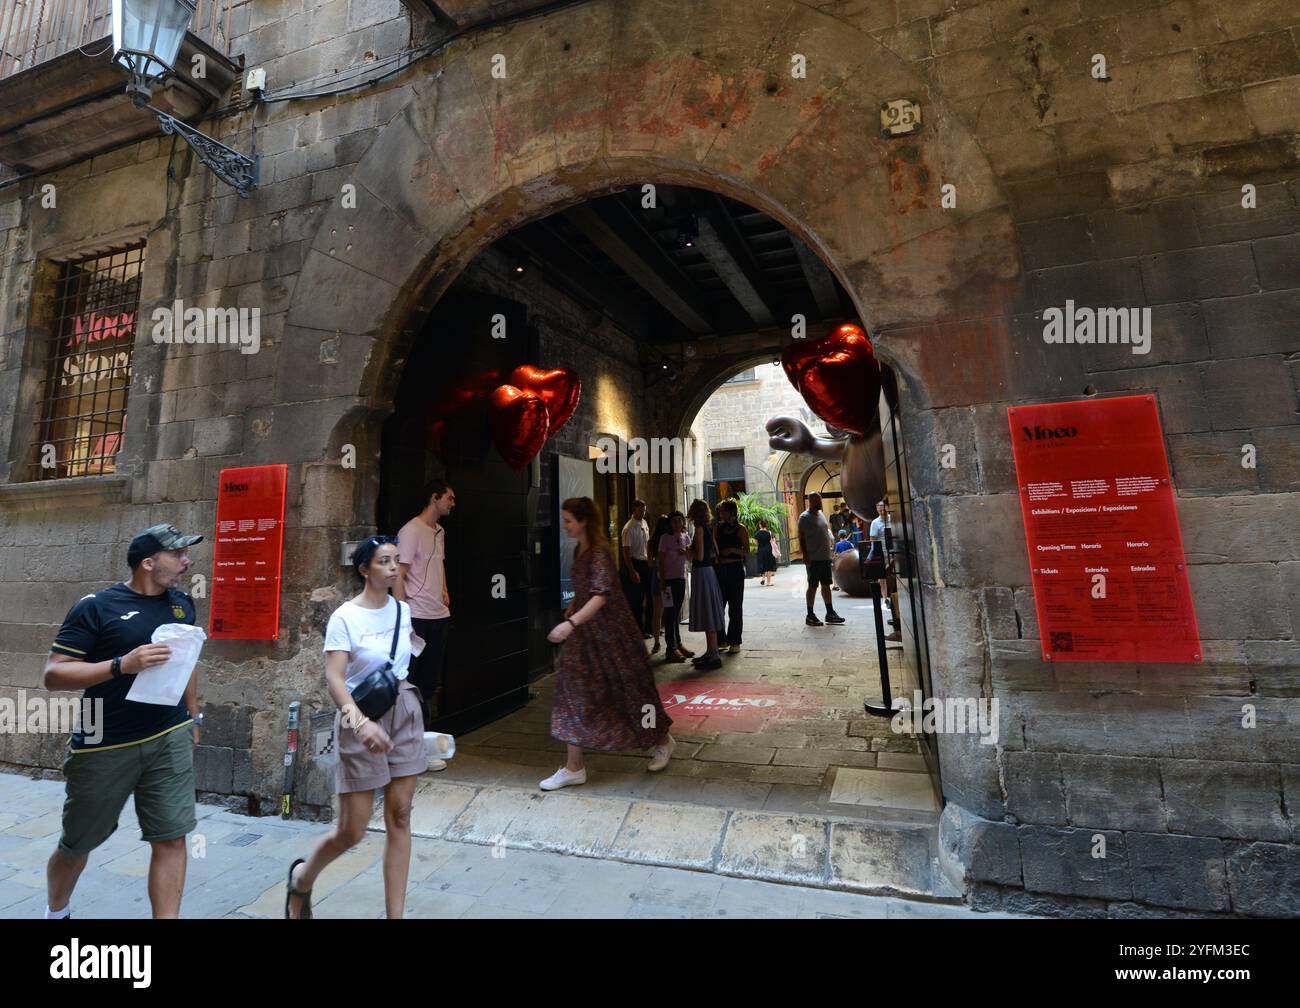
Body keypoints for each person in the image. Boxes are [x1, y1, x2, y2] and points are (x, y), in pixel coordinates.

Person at [43, 523, 205, 920]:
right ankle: (57, 912)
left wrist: (193, 714)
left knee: (172, 838)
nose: (186, 561)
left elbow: (187, 661)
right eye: (177, 554)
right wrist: (121, 665)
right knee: (77, 844)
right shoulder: (96, 607)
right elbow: (54, 674)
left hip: (169, 733)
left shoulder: (183, 604)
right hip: (105, 741)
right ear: (148, 563)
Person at [286, 536, 428, 919]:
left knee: (400, 815)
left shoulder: (403, 611)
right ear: (364, 569)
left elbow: (403, 664)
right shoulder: (345, 617)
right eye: (384, 561)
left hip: (404, 708)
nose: (393, 568)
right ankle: (302, 879)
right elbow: (335, 679)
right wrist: (360, 724)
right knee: (353, 830)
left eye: (396, 560)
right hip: (359, 715)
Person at [542, 497, 675, 790]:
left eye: (568, 520)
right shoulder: (580, 549)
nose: (564, 525)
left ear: (584, 521)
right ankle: (574, 766)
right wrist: (575, 604)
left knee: (631, 694)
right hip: (586, 638)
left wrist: (570, 624)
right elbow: (588, 590)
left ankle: (663, 740)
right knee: (573, 692)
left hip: (613, 637)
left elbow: (601, 594)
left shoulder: (599, 552)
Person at [394, 480, 455, 752]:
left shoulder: (440, 531)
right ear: (435, 498)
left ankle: (423, 743)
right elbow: (399, 574)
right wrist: (402, 616)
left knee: (429, 682)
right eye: (449, 498)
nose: (453, 503)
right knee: (409, 680)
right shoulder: (410, 531)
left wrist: (444, 590)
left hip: (439, 614)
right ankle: (405, 743)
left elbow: (439, 564)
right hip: (416, 615)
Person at [686, 499, 726, 669]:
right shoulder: (708, 528)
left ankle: (713, 655)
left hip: (702, 572)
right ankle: (711, 651)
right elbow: (714, 551)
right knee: (709, 610)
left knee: (707, 611)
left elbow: (700, 555)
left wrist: (686, 551)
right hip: (708, 572)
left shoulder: (699, 528)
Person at [797, 492, 845, 626]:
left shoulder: (822, 514)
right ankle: (810, 615)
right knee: (813, 586)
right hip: (813, 558)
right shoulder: (804, 517)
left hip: (824, 557)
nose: (819, 503)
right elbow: (801, 537)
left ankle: (830, 613)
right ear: (810, 502)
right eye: (816, 501)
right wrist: (805, 555)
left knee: (826, 585)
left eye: (820, 500)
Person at [656, 511, 694, 662]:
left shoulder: (686, 537)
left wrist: (685, 552)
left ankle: (678, 644)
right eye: (674, 521)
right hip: (668, 580)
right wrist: (662, 581)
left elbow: (690, 557)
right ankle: (670, 649)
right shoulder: (665, 538)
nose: (677, 523)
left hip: (680, 579)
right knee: (670, 614)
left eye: (680, 520)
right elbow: (660, 561)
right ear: (670, 524)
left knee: (676, 614)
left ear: (683, 522)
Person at [714, 499, 749, 655]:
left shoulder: (741, 529)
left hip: (735, 569)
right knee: (719, 605)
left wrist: (732, 550)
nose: (720, 513)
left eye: (723, 511)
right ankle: (720, 639)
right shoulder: (718, 528)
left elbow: (747, 551)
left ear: (731, 512)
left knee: (735, 607)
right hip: (720, 569)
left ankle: (735, 641)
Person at [869, 500, 903, 643]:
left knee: (896, 584)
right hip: (883, 555)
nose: (882, 510)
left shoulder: (894, 519)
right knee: (884, 579)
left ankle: (898, 627)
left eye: (883, 507)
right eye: (879, 507)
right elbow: (873, 540)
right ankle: (886, 598)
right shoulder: (875, 523)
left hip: (896, 554)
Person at [620, 498, 652, 638]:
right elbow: (626, 551)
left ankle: (649, 627)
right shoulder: (628, 528)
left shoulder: (644, 523)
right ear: (633, 511)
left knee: (650, 596)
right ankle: (638, 630)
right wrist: (632, 571)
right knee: (637, 600)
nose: (643, 513)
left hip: (645, 563)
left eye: (644, 511)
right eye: (640, 511)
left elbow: (647, 544)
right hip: (635, 563)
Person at [648, 513, 673, 655]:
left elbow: (650, 563)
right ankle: (672, 642)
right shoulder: (669, 540)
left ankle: (656, 642)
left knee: (656, 613)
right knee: (669, 611)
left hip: (656, 577)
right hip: (668, 577)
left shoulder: (651, 542)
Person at [754, 518, 777, 587]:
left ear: (760, 525)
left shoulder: (757, 534)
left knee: (762, 564)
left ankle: (763, 578)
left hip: (761, 550)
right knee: (769, 565)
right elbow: (773, 541)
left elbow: (756, 543)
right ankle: (768, 582)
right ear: (766, 525)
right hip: (768, 550)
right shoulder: (769, 533)